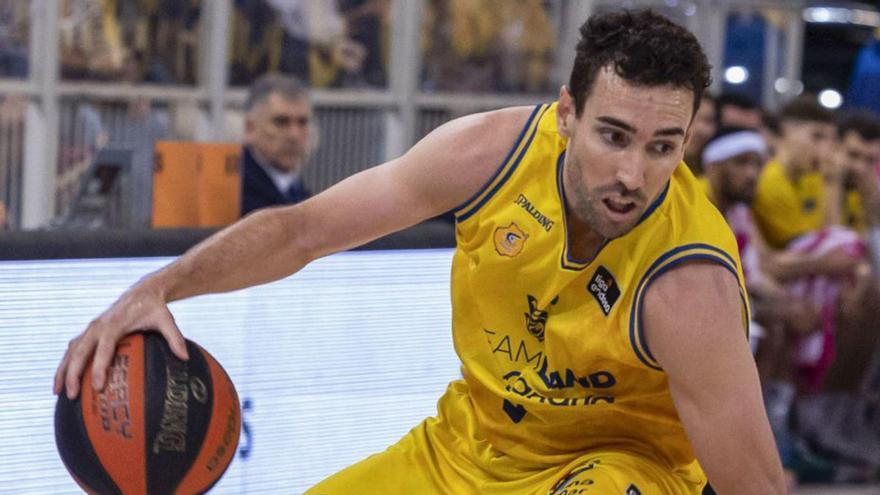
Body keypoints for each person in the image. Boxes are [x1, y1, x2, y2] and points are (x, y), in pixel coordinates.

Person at [55, 10, 786, 494]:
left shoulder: (687, 283)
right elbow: (303, 230)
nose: (635, 173)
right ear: (568, 114)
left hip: (613, 469)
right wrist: (161, 286)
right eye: (614, 136)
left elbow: (753, 481)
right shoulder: (489, 154)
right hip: (466, 450)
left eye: (665, 146)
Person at [240, 74, 314, 216]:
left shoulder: (297, 191)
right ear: (250, 128)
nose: (294, 135)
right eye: (281, 122)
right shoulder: (233, 192)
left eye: (302, 122)